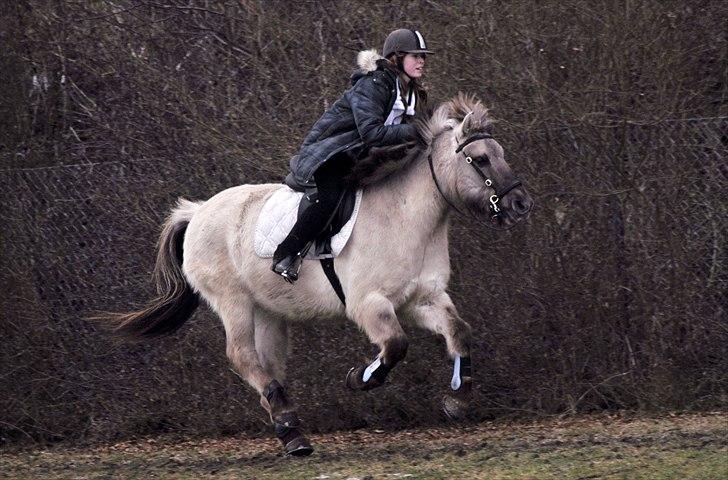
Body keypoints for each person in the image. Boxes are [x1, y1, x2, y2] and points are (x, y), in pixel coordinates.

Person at [272, 28, 433, 282]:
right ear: (397, 57)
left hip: (365, 157)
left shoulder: (412, 93)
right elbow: (372, 133)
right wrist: (416, 130)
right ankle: (286, 253)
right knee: (330, 198)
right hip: (333, 153)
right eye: (415, 56)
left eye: (423, 56)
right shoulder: (374, 84)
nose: (422, 61)